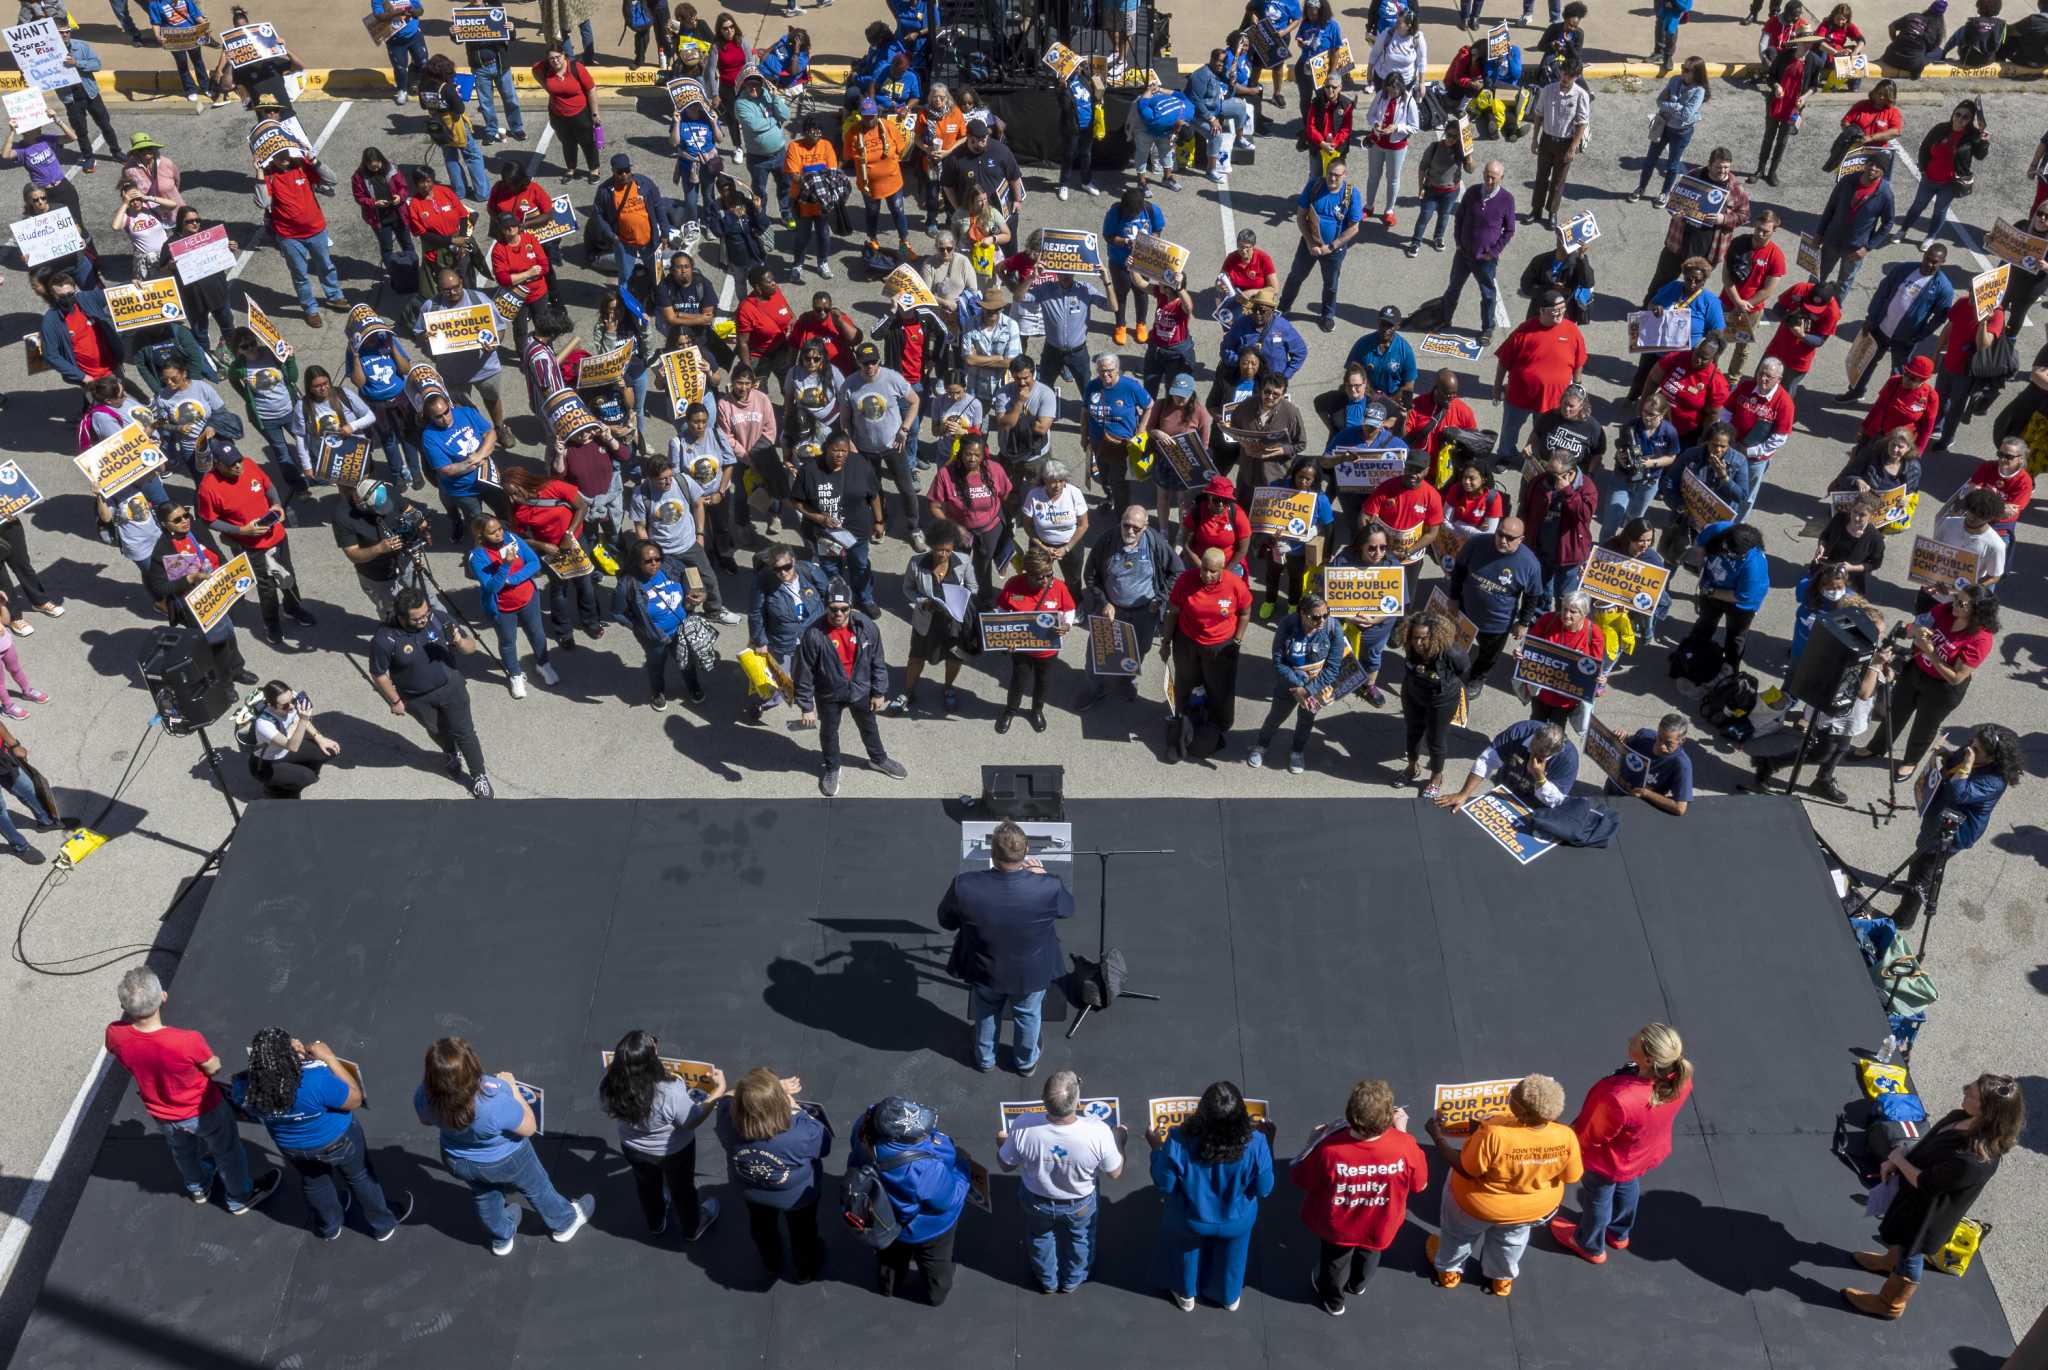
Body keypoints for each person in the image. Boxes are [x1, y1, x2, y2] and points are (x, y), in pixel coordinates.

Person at [1844, 1073, 2024, 1319]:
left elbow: (1925, 1183)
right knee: (1901, 1241)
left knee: (1911, 1253)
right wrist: (1900, 1157)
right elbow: (1927, 1143)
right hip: (1913, 1197)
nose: (1965, 1091)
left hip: (1927, 1215)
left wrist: (1896, 1159)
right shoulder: (1960, 1117)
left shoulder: (1975, 1159)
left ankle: (1890, 1304)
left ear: (1988, 1111)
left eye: (1971, 1094)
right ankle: (1889, 1263)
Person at [105, 967, 282, 1213]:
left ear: (124, 1005)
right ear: (163, 997)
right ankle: (240, 1197)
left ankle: (198, 1187)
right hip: (204, 1109)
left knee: (183, 1151)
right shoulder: (187, 1040)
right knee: (227, 1151)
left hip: (162, 1114)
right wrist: (214, 1062)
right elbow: (212, 1067)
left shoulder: (115, 1033)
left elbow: (122, 1053)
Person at [229, 1027, 411, 1241]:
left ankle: (329, 1227)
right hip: (338, 1140)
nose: (296, 1040)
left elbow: (242, 1103)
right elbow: (354, 1099)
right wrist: (330, 1058)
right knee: (359, 1176)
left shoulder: (247, 1088)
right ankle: (382, 1224)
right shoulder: (314, 1079)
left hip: (293, 1148)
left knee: (314, 1181)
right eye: (291, 1043)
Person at [415, 1037, 592, 1255]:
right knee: (537, 1187)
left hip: (458, 1161)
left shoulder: (424, 1097)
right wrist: (513, 1087)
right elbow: (529, 1127)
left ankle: (502, 1237)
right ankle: (565, 1222)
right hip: (509, 1160)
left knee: (485, 1196)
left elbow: (425, 1120)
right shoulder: (494, 1099)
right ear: (472, 1067)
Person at [1423, 1074, 1581, 1296]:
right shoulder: (1566, 1136)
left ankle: (1449, 1272)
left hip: (1478, 1206)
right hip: (1530, 1211)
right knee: (1511, 1243)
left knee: (1458, 1237)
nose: (1510, 1093)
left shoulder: (1494, 1134)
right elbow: (1571, 1177)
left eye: (1513, 1094)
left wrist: (1438, 1137)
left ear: (1522, 1111)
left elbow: (1466, 1169)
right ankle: (1501, 1279)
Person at [937, 818, 1074, 1073]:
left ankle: (985, 1059)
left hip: (984, 968)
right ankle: (1025, 1063)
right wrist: (1043, 876)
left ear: (992, 853)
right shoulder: (1049, 886)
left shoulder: (964, 885)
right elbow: (1067, 909)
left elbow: (946, 921)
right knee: (1028, 1014)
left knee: (986, 1010)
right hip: (1031, 973)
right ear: (1027, 850)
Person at [1553, 1024, 1694, 1263]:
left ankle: (1589, 1244)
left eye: (1635, 1041)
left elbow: (1592, 1135)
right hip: (1640, 1153)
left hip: (1608, 1161)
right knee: (1627, 1184)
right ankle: (1618, 1233)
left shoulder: (1620, 1099)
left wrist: (1567, 1147)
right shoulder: (1680, 1080)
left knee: (1598, 1196)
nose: (1630, 1040)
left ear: (1649, 1060)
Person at [1292, 1079, 1427, 1316]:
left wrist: (1312, 1142)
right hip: (1381, 1224)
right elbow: (1420, 1185)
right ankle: (1357, 1285)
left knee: (1334, 1263)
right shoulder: (1405, 1145)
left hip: (1338, 1227)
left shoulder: (1329, 1149)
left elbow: (1302, 1180)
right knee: (1370, 1255)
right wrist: (1403, 1132)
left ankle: (1334, 1302)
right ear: (1388, 1117)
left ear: (1351, 1115)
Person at [996, 1069, 1125, 1294]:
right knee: (1080, 1238)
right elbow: (1115, 1172)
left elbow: (1006, 1165)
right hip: (1080, 1204)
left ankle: (1047, 1281)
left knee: (1039, 1237)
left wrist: (1001, 1143)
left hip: (1036, 1201)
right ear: (1077, 1102)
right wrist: (1120, 1142)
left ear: (1043, 1100)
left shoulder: (1023, 1124)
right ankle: (1073, 1280)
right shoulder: (1100, 1133)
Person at [1150, 1080, 1275, 1312]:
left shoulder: (1177, 1140)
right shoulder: (1257, 1143)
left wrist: (1157, 1149)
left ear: (1201, 1113)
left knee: (1185, 1253)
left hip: (1190, 1220)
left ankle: (1186, 1295)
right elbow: (1264, 1189)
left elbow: (1164, 1185)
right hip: (1236, 1221)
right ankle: (1229, 1297)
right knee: (1233, 1258)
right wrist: (1270, 1145)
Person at [598, 1030, 721, 1241]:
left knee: (646, 1186)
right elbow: (691, 1121)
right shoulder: (669, 1091)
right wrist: (718, 1091)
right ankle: (693, 1227)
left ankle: (655, 1222)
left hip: (633, 1149)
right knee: (682, 1189)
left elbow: (606, 1108)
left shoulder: (608, 1084)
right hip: (674, 1152)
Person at [369, 586, 493, 797]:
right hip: (417, 698)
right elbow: (378, 673)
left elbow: (470, 648)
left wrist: (459, 641)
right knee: (437, 731)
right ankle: (451, 753)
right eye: (417, 619)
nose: (424, 620)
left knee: (464, 732)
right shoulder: (384, 639)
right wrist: (395, 700)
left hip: (451, 687)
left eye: (426, 614)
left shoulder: (439, 619)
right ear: (401, 617)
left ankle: (479, 775)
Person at [794, 577, 908, 796]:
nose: (838, 613)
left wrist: (879, 691)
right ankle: (832, 767)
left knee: (869, 727)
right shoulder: (813, 634)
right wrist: (806, 706)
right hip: (829, 693)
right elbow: (804, 673)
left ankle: (878, 759)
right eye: (833, 609)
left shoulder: (867, 627)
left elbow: (878, 661)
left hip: (860, 690)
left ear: (851, 607)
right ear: (826, 607)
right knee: (829, 732)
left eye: (843, 609)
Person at [197, 441, 317, 647]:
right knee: (266, 586)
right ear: (217, 464)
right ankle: (272, 624)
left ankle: (293, 608)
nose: (238, 466)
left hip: (277, 535)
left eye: (238, 460)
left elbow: (268, 486)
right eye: (231, 464)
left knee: (288, 575)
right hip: (251, 546)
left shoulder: (249, 465)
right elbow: (210, 520)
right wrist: (241, 531)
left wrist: (276, 505)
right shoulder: (208, 488)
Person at [1162, 546, 1252, 762]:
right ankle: (1182, 722)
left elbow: (1245, 612)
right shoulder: (1186, 580)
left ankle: (1216, 726)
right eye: (1204, 569)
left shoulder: (1235, 585)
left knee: (1219, 689)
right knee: (1185, 683)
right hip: (1187, 642)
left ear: (1222, 569)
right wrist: (1165, 642)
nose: (1206, 575)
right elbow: (1173, 611)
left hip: (1220, 647)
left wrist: (1237, 640)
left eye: (1213, 571)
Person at [1251, 592, 1352, 773]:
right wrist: (1297, 686)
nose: (1322, 621)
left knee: (1306, 721)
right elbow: (1279, 662)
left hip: (1317, 686)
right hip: (1289, 684)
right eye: (1316, 617)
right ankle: (1261, 746)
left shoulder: (1333, 627)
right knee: (1276, 717)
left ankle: (1297, 752)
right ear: (1302, 613)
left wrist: (1307, 690)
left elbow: (1333, 667)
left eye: (1326, 614)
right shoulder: (1288, 625)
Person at [1844, 246, 1954, 404]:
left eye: (1934, 262)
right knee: (1866, 361)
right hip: (1880, 328)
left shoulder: (1943, 287)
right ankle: (1856, 391)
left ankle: (1889, 402)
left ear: (1942, 262)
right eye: (1927, 259)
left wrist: (1920, 335)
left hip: (1905, 338)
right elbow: (1882, 292)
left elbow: (1940, 317)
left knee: (1898, 373)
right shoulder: (1904, 269)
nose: (1929, 264)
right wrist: (1871, 318)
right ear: (1924, 256)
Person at [1448, 515, 1542, 699]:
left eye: (1510, 538)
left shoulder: (1530, 564)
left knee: (1488, 655)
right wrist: (1453, 598)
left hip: (1497, 622)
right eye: (1500, 534)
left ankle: (1477, 678)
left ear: (1521, 539)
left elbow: (1532, 596)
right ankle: (1451, 671)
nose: (1503, 540)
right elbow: (1459, 569)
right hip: (1466, 611)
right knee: (1455, 646)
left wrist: (1523, 623)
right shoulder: (1477, 543)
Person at [466, 514, 557, 698]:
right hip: (502, 607)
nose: (499, 534)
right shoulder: (477, 556)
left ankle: (543, 664)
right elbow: (492, 587)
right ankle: (515, 674)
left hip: (528, 598)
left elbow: (534, 563)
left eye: (500, 528)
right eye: (493, 532)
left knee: (537, 634)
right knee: (508, 642)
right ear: (481, 535)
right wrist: (506, 565)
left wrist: (512, 580)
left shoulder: (513, 538)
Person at [991, 548, 1075, 734]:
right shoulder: (1014, 584)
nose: (1046, 581)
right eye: (1039, 577)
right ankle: (1010, 710)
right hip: (1021, 649)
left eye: (1049, 574)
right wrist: (1006, 636)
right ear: (1027, 573)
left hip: (1047, 651)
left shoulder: (1059, 587)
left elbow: (1069, 609)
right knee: (1018, 681)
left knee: (1042, 682)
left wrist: (1067, 625)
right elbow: (1001, 611)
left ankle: (1037, 710)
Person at [258, 150, 346, 327]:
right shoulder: (269, 175)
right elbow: (263, 202)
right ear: (271, 158)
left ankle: (334, 296)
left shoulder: (302, 165)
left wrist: (314, 160)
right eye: (277, 156)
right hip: (289, 237)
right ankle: (310, 309)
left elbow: (332, 180)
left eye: (285, 154)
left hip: (316, 230)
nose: (283, 159)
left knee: (326, 266)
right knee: (300, 275)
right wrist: (259, 173)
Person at [1278, 159, 1365, 335]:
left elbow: (1354, 228)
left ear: (1344, 175)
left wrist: (1331, 247)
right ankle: (1283, 307)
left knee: (1330, 284)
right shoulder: (1315, 186)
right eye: (1330, 173)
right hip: (1309, 245)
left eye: (1337, 175)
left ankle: (1327, 315)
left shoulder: (1351, 194)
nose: (1332, 178)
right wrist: (1310, 242)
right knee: (1295, 276)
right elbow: (1301, 216)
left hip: (1334, 250)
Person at [1440, 160, 1516, 344]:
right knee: (1453, 288)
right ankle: (1444, 319)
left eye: (1493, 178)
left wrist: (1493, 252)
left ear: (1501, 178)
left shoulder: (1507, 199)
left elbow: (1509, 230)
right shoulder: (1472, 192)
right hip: (1463, 253)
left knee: (1488, 294)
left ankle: (1487, 329)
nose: (1489, 181)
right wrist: (1458, 242)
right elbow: (1459, 217)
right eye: (1487, 176)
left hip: (1485, 259)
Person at [1437, 718, 1580, 811]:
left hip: (1535, 807)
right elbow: (1487, 761)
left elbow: (1555, 801)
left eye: (1540, 756)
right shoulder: (1519, 732)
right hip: (1505, 787)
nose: (1533, 756)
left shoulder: (1569, 760)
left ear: (1555, 753)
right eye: (1532, 749)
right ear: (1534, 736)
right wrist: (1464, 794)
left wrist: (1540, 777)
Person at [1400, 612, 1471, 798]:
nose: (1418, 643)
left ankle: (1436, 777)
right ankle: (1411, 767)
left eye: (1424, 638)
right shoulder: (1410, 644)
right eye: (1415, 637)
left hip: (1441, 699)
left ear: (1435, 636)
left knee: (1435, 740)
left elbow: (1463, 670)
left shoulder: (1451, 652)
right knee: (1412, 731)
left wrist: (1446, 683)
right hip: (1413, 692)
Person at [1813, 157, 1895, 295]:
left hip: (1855, 249)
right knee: (1817, 274)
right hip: (1832, 239)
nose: (1873, 168)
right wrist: (1819, 233)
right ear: (1865, 164)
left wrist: (1867, 247)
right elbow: (1831, 207)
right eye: (1871, 164)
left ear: (1883, 172)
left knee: (1844, 283)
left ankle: (1836, 306)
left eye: (1878, 167)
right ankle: (1810, 300)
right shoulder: (1847, 180)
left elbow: (1888, 223)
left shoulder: (1885, 194)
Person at [246, 679, 340, 798]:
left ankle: (292, 780)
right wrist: (303, 720)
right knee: (308, 778)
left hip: (287, 749)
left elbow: (301, 719)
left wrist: (319, 738)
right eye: (285, 706)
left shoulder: (288, 698)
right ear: (271, 706)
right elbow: (293, 746)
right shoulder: (264, 724)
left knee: (330, 751)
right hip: (268, 763)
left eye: (293, 700)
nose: (291, 706)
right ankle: (275, 789)